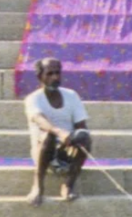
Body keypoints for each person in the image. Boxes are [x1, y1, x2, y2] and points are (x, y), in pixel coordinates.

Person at [24, 57, 91, 204]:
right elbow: (40, 120)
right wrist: (60, 133)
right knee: (49, 136)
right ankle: (38, 186)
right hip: (44, 151)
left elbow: (81, 125)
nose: (55, 77)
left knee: (85, 137)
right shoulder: (33, 99)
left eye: (57, 73)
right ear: (39, 76)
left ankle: (68, 185)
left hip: (66, 151)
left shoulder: (71, 95)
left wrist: (75, 138)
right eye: (49, 74)